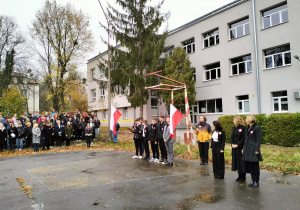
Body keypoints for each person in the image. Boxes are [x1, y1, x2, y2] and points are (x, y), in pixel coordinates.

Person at [242, 115, 263, 188]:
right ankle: (252, 180)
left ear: (250, 120)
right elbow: (246, 139)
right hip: (247, 148)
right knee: (250, 165)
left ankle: (256, 181)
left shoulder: (257, 128)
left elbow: (258, 140)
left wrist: (257, 149)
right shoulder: (247, 128)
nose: (246, 120)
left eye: (247, 119)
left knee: (255, 166)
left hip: (253, 149)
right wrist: (243, 148)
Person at [231, 116, 246, 182]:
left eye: (234, 120)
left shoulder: (243, 128)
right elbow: (232, 137)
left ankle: (243, 176)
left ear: (237, 121)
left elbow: (244, 138)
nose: (233, 121)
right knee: (236, 161)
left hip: (240, 147)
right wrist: (232, 144)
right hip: (234, 147)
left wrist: (237, 145)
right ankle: (239, 175)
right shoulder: (234, 128)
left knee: (241, 162)